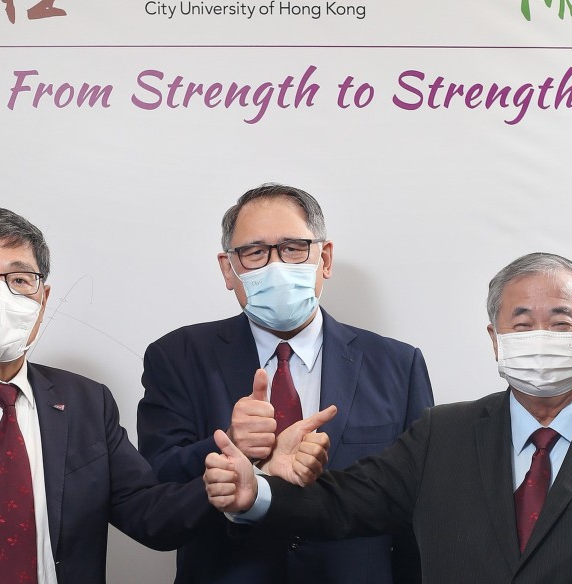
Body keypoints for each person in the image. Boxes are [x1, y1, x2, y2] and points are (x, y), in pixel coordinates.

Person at [0, 207, 328, 584]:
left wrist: (241, 476)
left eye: (21, 280)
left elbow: (151, 517)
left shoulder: (86, 404)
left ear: (43, 299)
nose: (1, 296)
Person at [206, 252, 572, 584]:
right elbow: (344, 505)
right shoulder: (440, 435)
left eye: (561, 322)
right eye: (521, 322)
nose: (540, 336)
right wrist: (257, 491)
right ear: (494, 338)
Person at [139, 183, 434, 583]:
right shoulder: (178, 357)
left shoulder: (398, 364)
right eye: (255, 252)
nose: (276, 266)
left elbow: (419, 511)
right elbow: (156, 503)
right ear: (229, 268)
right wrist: (230, 445)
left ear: (324, 258)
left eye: (294, 248)